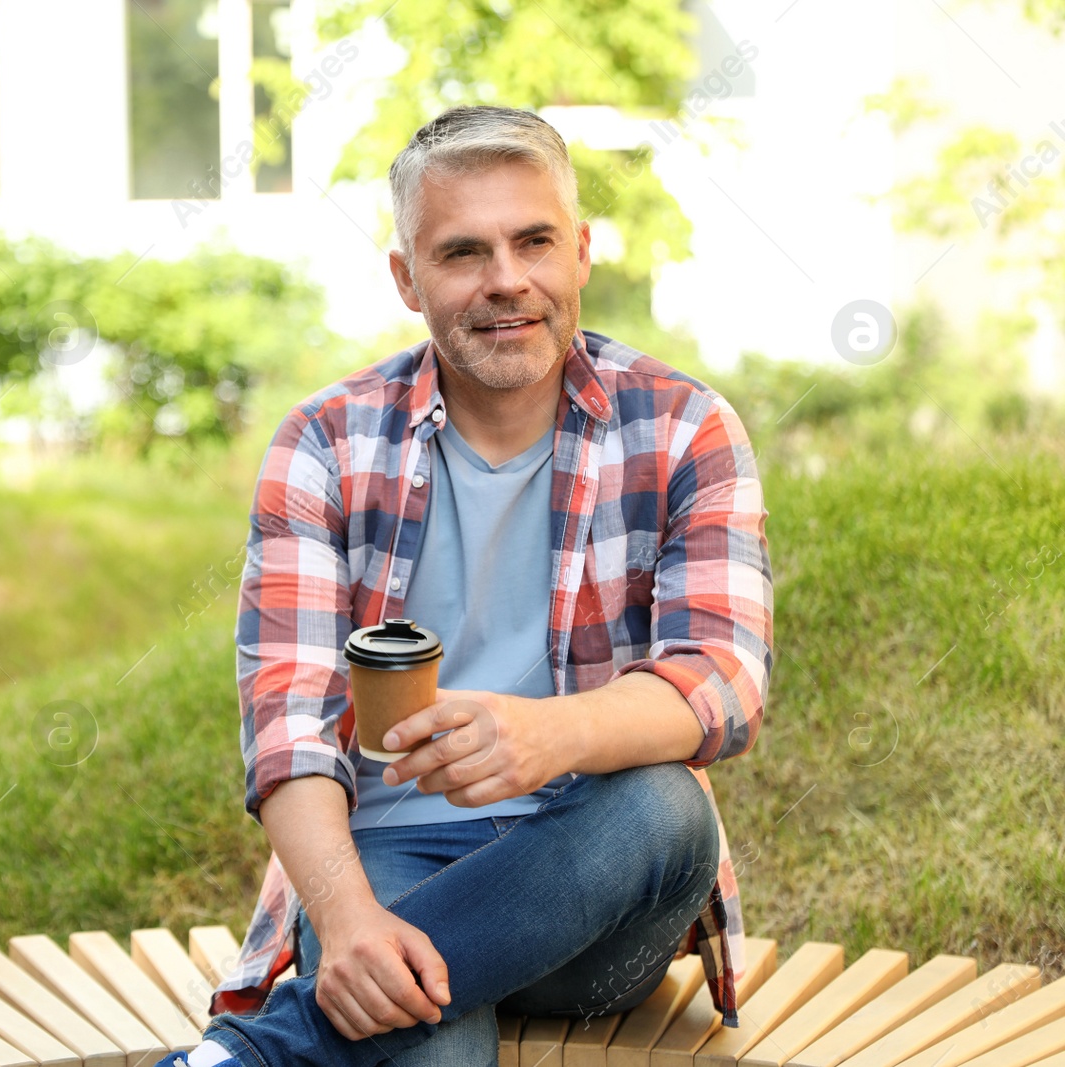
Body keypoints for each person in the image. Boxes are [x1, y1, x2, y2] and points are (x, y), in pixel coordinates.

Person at [157, 104, 774, 1067]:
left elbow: (726, 681)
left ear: (579, 251)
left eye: (534, 241)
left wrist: (548, 736)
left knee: (664, 804)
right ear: (408, 277)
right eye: (462, 252)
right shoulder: (323, 443)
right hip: (384, 872)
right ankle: (318, 1010)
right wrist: (349, 919)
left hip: (598, 881)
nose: (506, 281)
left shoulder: (686, 426)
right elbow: (287, 726)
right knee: (429, 1040)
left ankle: (262, 1051)